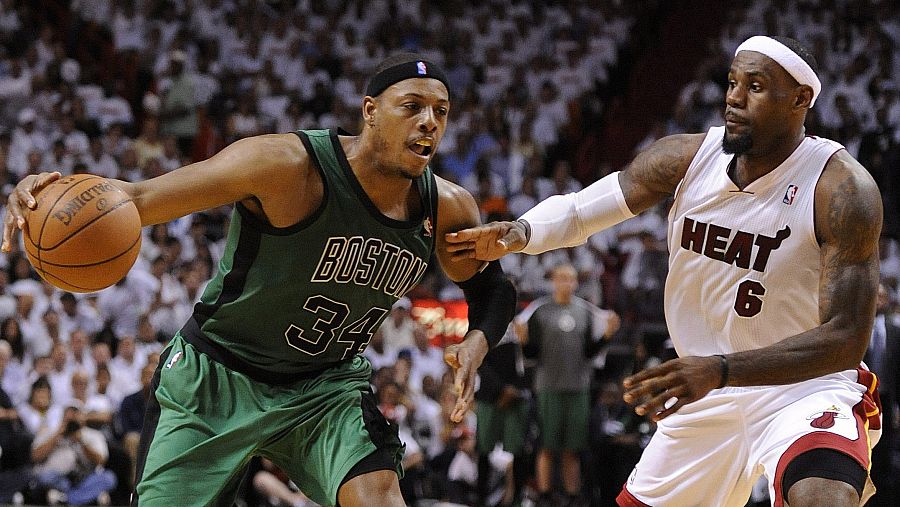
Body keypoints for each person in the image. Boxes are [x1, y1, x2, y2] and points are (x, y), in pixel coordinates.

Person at [2, 52, 516, 507]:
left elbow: (491, 287)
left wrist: (477, 339)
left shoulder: (446, 206)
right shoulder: (285, 165)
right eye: (412, 107)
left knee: (380, 498)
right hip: (218, 374)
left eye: (441, 113)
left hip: (324, 389)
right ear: (370, 111)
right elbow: (136, 199)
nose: (429, 122)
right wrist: (48, 196)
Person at [446, 36, 883, 507]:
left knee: (824, 497)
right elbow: (579, 212)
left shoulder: (841, 189)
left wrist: (720, 370)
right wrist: (519, 232)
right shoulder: (687, 158)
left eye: (755, 86)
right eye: (733, 82)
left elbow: (845, 338)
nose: (734, 97)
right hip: (705, 394)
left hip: (798, 389)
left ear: (800, 100)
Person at [519, 263, 617, 505]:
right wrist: (522, 340)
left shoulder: (584, 311)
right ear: (553, 280)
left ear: (575, 282)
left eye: (570, 279)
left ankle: (572, 496)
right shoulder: (540, 311)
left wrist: (606, 336)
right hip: (548, 387)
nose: (566, 283)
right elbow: (531, 354)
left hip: (577, 387)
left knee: (573, 447)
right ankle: (544, 494)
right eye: (561, 278)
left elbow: (589, 352)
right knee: (546, 445)